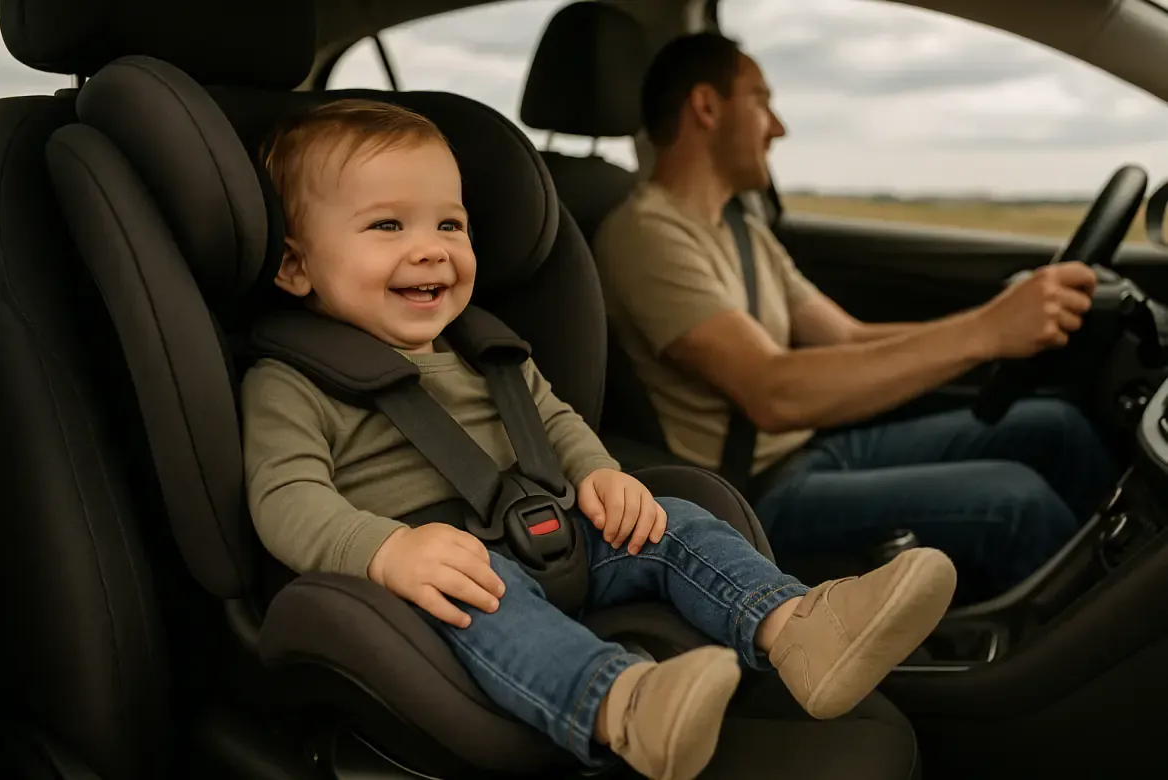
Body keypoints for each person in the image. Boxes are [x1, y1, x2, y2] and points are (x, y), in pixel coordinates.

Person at [240, 99, 957, 780]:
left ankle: (796, 625)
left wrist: (600, 474)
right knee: (488, 600)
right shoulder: (293, 381)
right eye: (387, 227)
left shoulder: (486, 350)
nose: (431, 251)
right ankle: (624, 706)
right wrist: (386, 551)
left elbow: (554, 421)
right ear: (297, 265)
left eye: (449, 226)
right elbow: (286, 498)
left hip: (553, 532)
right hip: (440, 578)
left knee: (674, 521)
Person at [592, 32, 1119, 602]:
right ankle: (1099, 661)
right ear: (706, 106)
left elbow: (847, 335)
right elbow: (773, 392)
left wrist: (1000, 327)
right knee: (1015, 499)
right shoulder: (646, 236)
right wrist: (987, 331)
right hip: (752, 491)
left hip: (815, 451)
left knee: (1056, 426)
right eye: (761, 100)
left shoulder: (742, 230)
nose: (778, 127)